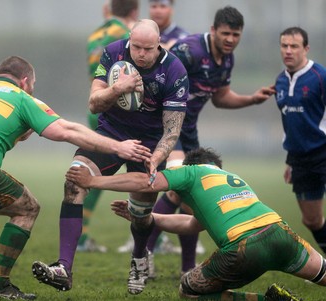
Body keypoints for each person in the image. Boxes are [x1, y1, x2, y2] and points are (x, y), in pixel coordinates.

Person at [0, 55, 152, 300]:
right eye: (32, 85)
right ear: (25, 81)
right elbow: (67, 130)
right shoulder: (23, 98)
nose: (32, 89)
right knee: (27, 208)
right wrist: (118, 148)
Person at [32, 19, 189, 295]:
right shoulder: (113, 52)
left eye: (148, 49)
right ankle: (63, 268)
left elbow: (172, 129)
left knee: (140, 215)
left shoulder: (175, 71)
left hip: (150, 144)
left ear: (159, 44)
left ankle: (139, 256)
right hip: (110, 134)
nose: (141, 54)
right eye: (136, 47)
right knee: (73, 183)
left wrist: (157, 157)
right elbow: (94, 103)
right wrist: (118, 88)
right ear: (129, 39)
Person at [66, 147, 324, 301]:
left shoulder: (192, 172)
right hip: (280, 232)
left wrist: (93, 182)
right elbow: (192, 224)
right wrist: (151, 218)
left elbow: (145, 181)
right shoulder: (231, 178)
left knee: (188, 290)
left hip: (244, 246)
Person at [141, 5, 276, 279]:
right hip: (164, 129)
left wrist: (251, 98)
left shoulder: (226, 60)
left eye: (236, 35)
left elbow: (220, 97)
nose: (230, 40)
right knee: (178, 188)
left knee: (194, 197)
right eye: (225, 33)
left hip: (188, 132)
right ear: (213, 30)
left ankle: (186, 267)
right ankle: (144, 255)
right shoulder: (189, 51)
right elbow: (156, 77)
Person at [117, 0, 193, 256]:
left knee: (179, 183)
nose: (158, 9)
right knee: (169, 183)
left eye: (164, 5)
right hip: (145, 127)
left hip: (176, 121)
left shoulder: (183, 40)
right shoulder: (133, 39)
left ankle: (172, 248)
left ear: (172, 8)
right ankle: (148, 240)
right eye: (154, 5)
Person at [81, 0, 139, 253]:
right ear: (135, 12)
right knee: (142, 170)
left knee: (93, 173)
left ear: (109, 9)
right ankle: (152, 237)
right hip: (122, 111)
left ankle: (81, 236)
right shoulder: (128, 35)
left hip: (97, 106)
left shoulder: (95, 35)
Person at [274, 26, 326, 255]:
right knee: (312, 220)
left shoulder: (320, 77)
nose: (288, 50)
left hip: (323, 151)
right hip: (300, 159)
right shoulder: (280, 82)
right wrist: (290, 160)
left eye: (294, 46)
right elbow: (290, 124)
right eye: (284, 45)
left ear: (306, 48)